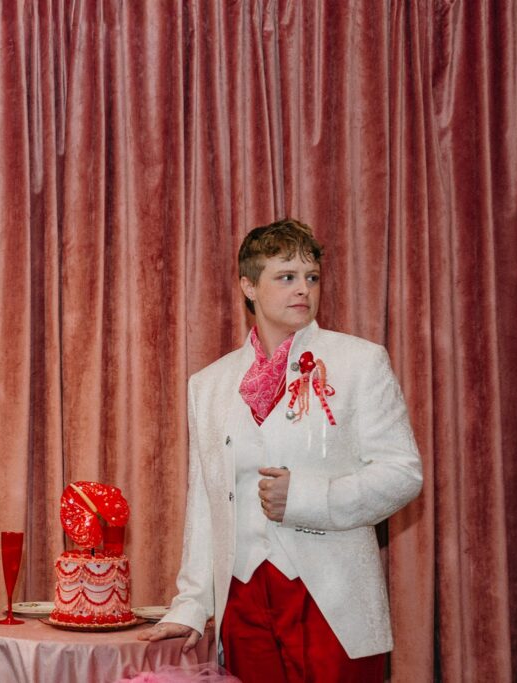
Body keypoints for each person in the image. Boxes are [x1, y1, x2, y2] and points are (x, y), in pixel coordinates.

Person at [139, 219, 422, 682]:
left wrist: (308, 498)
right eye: (286, 277)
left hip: (332, 601)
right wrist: (192, 604)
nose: (303, 290)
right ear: (248, 286)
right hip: (245, 601)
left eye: (311, 278)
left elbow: (402, 473)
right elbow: (206, 503)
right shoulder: (208, 385)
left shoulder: (360, 361)